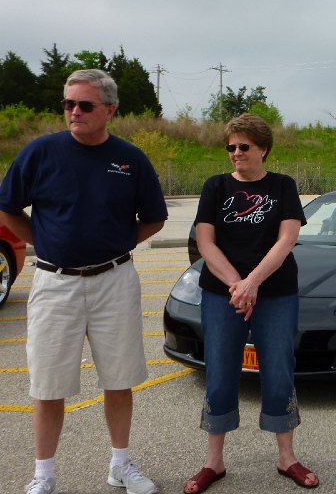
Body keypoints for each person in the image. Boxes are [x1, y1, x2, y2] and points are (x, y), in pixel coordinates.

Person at [0, 69, 168, 494]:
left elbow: (154, 219)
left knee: (119, 378)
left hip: (114, 280)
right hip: (55, 284)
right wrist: (45, 241)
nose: (74, 111)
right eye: (68, 104)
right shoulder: (39, 153)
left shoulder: (131, 159)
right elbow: (7, 209)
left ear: (110, 110)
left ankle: (120, 465)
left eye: (85, 105)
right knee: (47, 383)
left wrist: (112, 244)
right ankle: (44, 474)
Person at [184, 113, 318, 493]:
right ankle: (214, 462)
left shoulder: (282, 186)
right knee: (221, 372)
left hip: (275, 294)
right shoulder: (215, 187)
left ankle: (287, 457)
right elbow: (205, 243)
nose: (236, 153)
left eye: (244, 146)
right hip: (221, 294)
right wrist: (237, 286)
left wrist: (253, 282)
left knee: (278, 370)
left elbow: (286, 239)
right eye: (231, 147)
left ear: (263, 149)